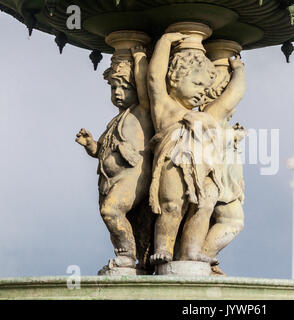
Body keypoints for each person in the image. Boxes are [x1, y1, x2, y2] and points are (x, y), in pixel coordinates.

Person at [147, 32, 245, 266]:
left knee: (205, 205)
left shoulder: (205, 115)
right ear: (175, 79)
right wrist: (164, 42)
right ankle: (163, 248)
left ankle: (191, 251)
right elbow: (153, 78)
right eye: (197, 83)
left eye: (205, 86)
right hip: (174, 163)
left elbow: (231, 99)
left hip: (204, 170)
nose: (202, 91)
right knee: (172, 205)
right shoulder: (165, 107)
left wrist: (239, 71)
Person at [76, 46, 154, 273]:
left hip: (133, 178)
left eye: (124, 87)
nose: (117, 92)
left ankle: (126, 257)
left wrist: (140, 57)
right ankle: (131, 260)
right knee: (113, 217)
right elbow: (101, 150)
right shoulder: (115, 121)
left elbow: (146, 86)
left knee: (111, 212)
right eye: (113, 87)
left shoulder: (142, 111)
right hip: (109, 180)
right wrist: (90, 144)